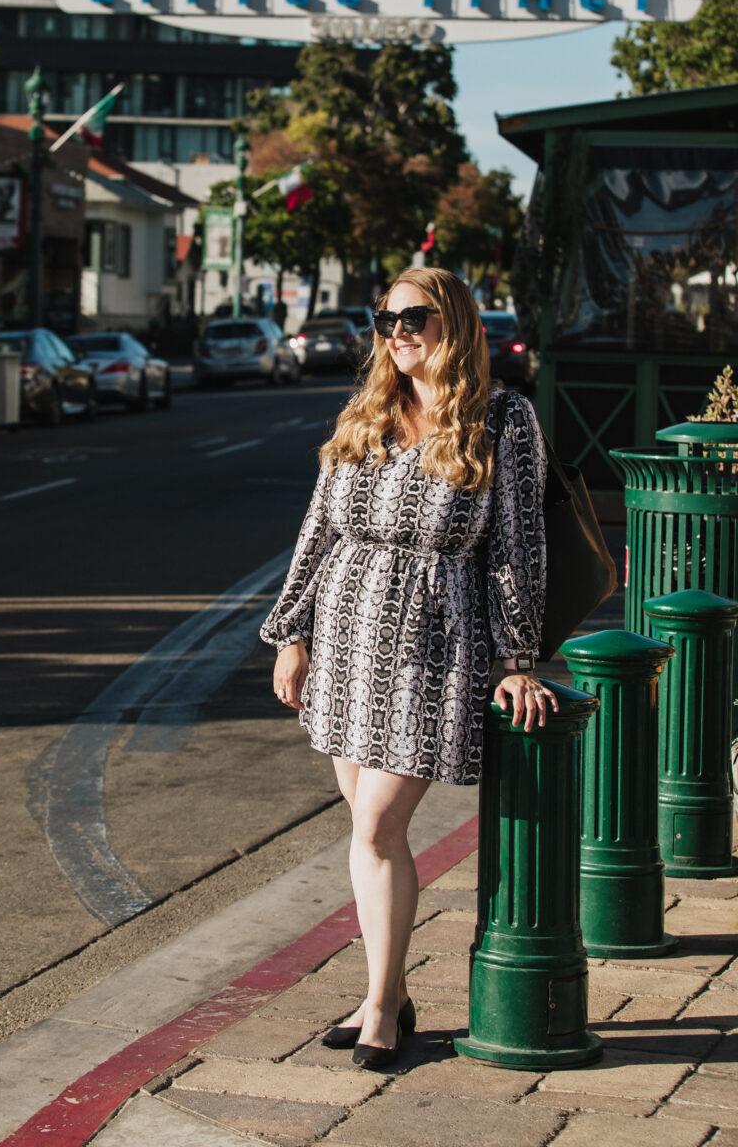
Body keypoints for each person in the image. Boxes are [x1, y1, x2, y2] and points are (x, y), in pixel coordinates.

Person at [260, 265, 554, 1070]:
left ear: (451, 323)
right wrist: (291, 634)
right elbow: (318, 531)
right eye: (385, 319)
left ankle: (386, 1006)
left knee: (378, 826)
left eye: (414, 318)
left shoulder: (503, 420)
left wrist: (518, 657)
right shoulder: (366, 412)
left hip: (436, 637)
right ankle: (379, 992)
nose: (397, 333)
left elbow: (519, 549)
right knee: (368, 831)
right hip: (347, 630)